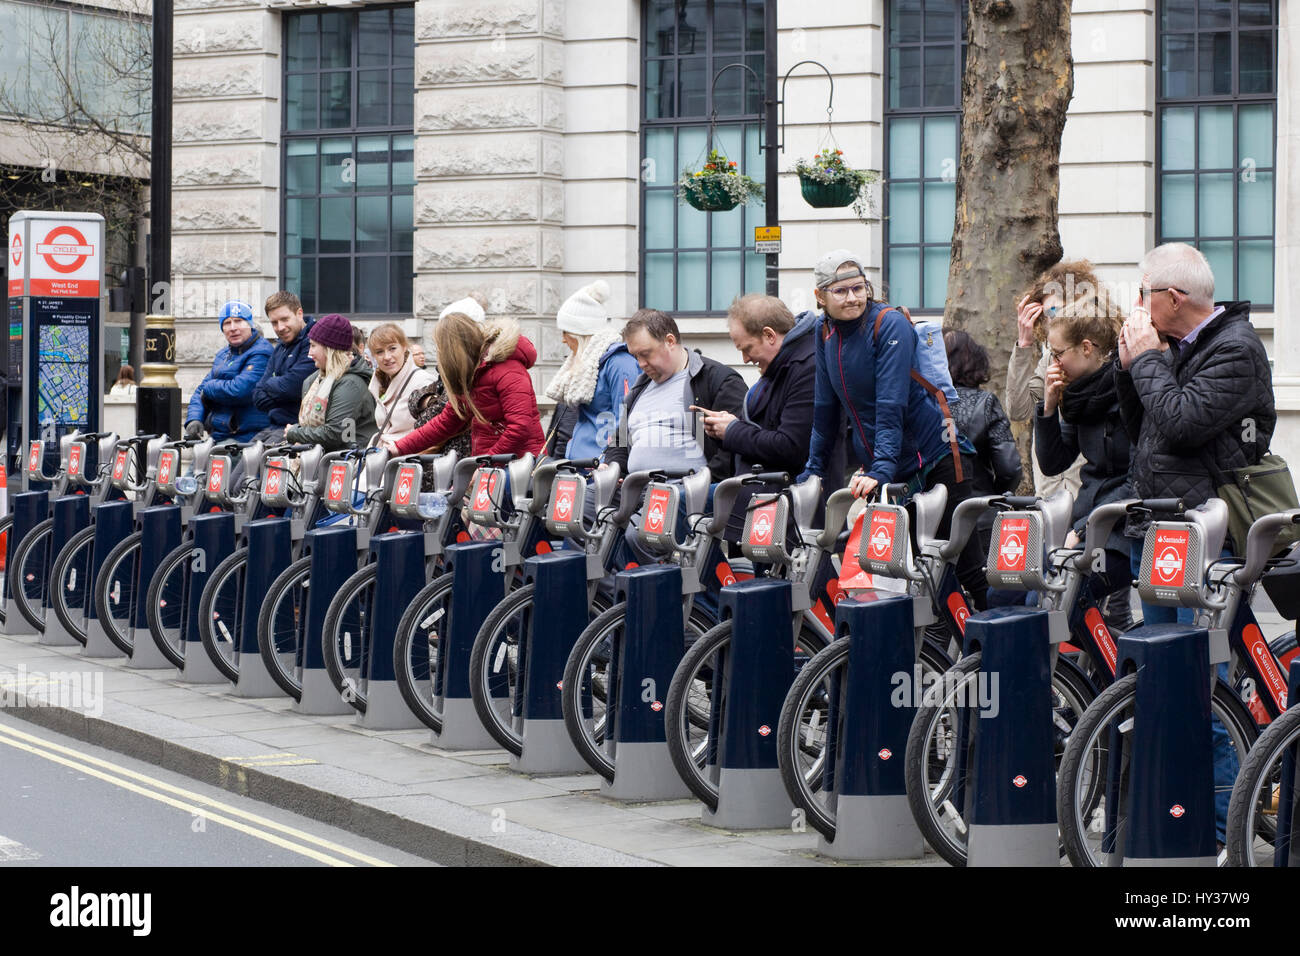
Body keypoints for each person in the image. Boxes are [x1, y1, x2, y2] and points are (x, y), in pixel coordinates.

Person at [1116, 241, 1275, 845]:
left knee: (1201, 687)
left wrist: (1148, 362)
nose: (1137, 305)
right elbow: (1145, 432)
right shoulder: (1171, 348)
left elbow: (1182, 422)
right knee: (1165, 679)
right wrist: (1127, 364)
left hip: (1205, 538)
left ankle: (1216, 833)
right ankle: (1176, 813)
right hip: (1160, 530)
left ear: (1172, 298)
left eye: (1143, 294)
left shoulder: (1235, 349)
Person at [801, 249, 987, 609]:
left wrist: (880, 469)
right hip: (887, 465)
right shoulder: (821, 331)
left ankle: (999, 647)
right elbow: (825, 410)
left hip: (936, 457)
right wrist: (812, 471)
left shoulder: (888, 324)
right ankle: (935, 648)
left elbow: (891, 404)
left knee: (968, 567)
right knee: (904, 570)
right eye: (841, 291)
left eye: (859, 288)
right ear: (820, 297)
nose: (853, 297)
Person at [1033, 297, 1134, 631]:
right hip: (1089, 518)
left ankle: (1113, 673)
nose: (1054, 363)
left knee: (1070, 597)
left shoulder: (1128, 385)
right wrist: (1048, 407)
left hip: (1124, 523)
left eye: (1058, 353)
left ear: (1087, 348)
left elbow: (1137, 476)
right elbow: (1053, 462)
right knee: (1025, 593)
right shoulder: (1078, 394)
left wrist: (1083, 529)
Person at [600, 309, 746, 479]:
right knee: (576, 500)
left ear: (670, 341)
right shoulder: (639, 388)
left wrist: (701, 482)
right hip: (633, 489)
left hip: (688, 493)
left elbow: (732, 449)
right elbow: (620, 440)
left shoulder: (718, 380)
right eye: (635, 356)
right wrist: (614, 467)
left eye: (646, 354)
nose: (640, 364)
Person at [695, 293, 827, 481]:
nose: (745, 359)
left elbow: (790, 447)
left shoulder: (808, 369)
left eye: (747, 349)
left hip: (782, 500)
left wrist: (732, 430)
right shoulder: (784, 365)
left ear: (769, 335)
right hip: (764, 493)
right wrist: (723, 428)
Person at [1005, 260, 1103, 498]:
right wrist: (1024, 345)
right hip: (1050, 491)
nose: (1054, 320)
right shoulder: (1049, 359)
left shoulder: (1106, 355)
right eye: (1048, 314)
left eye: (1060, 311)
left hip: (1089, 491)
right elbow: (1019, 410)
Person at [386, 310, 544, 458]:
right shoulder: (472, 375)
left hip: (519, 464)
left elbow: (520, 427)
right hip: (494, 464)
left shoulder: (508, 370)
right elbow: (445, 422)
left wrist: (486, 464)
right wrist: (398, 447)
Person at [944, 329, 1021, 562]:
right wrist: (994, 496)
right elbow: (1010, 468)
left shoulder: (920, 402)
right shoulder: (985, 403)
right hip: (980, 515)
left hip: (931, 518)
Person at [544, 280, 639, 460]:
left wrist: (613, 465)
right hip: (580, 463)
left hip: (601, 469)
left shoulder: (619, 363)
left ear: (579, 333)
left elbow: (626, 420)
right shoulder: (590, 363)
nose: (563, 340)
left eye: (565, 332)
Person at [283, 313, 377, 451]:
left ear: (330, 349)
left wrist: (294, 433)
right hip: (319, 460)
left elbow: (334, 434)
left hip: (346, 464)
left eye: (314, 346)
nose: (309, 353)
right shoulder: (314, 380)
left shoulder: (351, 384)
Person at [184, 300, 274, 442]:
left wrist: (210, 387)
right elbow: (199, 392)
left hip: (247, 437)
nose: (233, 328)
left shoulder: (262, 352)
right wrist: (194, 419)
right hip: (219, 435)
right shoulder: (223, 355)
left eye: (238, 321)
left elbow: (239, 391)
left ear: (249, 324)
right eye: (227, 323)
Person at [251, 290, 317, 441]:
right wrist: (280, 387)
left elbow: (293, 387)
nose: (280, 327)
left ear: (299, 313)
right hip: (273, 427)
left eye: (285, 319)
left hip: (299, 430)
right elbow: (257, 397)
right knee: (244, 460)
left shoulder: (314, 342)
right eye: (274, 322)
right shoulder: (279, 348)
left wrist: (271, 384)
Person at [367, 323, 436, 448]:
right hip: (381, 457)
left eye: (392, 348)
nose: (387, 357)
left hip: (410, 460)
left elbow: (434, 430)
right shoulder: (380, 383)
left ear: (404, 347)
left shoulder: (423, 381)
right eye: (379, 352)